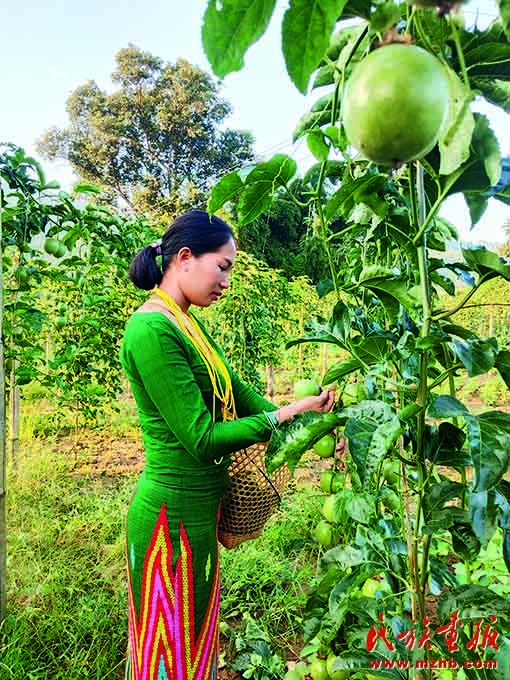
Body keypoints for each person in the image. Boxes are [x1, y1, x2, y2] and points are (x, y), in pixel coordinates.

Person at [120, 210, 337, 680]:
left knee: (195, 636)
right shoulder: (151, 330)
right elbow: (201, 439)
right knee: (167, 645)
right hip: (169, 519)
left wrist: (316, 423)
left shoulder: (188, 324)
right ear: (184, 258)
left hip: (199, 514)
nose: (227, 282)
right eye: (223, 267)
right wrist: (286, 415)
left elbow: (244, 397)